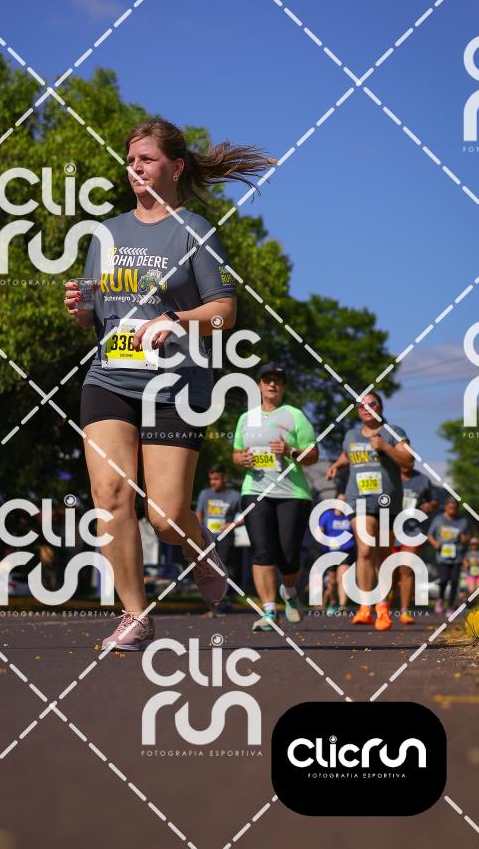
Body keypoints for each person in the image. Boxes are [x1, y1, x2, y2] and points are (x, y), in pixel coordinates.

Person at [64, 118, 273, 650]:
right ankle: (135, 615)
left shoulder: (194, 229)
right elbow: (93, 314)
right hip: (109, 379)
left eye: (147, 159)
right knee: (110, 496)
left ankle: (199, 543)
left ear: (175, 167)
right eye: (130, 160)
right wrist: (80, 308)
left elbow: (225, 312)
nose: (135, 168)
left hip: (175, 386)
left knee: (164, 516)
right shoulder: (106, 233)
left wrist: (176, 321)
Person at [232, 362, 319, 632]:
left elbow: (313, 455)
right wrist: (242, 459)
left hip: (292, 493)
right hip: (255, 491)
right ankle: (269, 610)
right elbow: (236, 453)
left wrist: (290, 450)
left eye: (278, 380)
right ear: (259, 385)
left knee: (289, 556)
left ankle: (289, 592)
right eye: (267, 380)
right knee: (262, 551)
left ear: (283, 387)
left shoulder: (295, 416)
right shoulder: (246, 418)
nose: (272, 384)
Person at [326, 391, 412, 631]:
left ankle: (382, 606)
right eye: (360, 405)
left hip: (387, 501)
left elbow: (408, 461)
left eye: (371, 403)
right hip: (358, 499)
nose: (366, 408)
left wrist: (385, 447)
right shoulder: (351, 435)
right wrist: (336, 465)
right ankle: (365, 606)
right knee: (364, 549)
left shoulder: (394, 432)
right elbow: (348, 454)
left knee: (384, 555)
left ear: (380, 407)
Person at [394, 459, 438, 625]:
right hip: (390, 529)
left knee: (406, 568)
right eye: (402, 458)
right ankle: (385, 606)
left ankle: (404, 611)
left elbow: (434, 502)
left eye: (410, 459)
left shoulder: (423, 480)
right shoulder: (390, 477)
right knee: (390, 572)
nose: (406, 462)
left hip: (413, 530)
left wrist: (430, 505)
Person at [196, 464, 243, 611]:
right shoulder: (204, 494)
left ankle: (220, 600)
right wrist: (198, 533)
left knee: (221, 568)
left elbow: (247, 515)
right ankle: (213, 600)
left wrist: (233, 524)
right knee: (208, 568)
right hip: (207, 538)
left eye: (216, 479)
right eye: (211, 479)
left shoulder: (234, 496)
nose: (213, 482)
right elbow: (199, 515)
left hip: (225, 539)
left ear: (224, 478)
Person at [427, 498, 470, 615]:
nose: (452, 510)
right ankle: (440, 600)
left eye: (455, 508)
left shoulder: (462, 521)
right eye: (450, 508)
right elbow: (429, 535)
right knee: (444, 580)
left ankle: (451, 606)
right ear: (446, 507)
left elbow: (467, 537)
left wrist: (465, 539)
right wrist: (435, 543)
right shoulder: (438, 519)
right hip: (442, 556)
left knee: (455, 581)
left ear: (458, 509)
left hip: (457, 556)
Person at [317, 494, 356, 615]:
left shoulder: (350, 517)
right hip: (330, 552)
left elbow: (356, 532)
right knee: (332, 582)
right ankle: (333, 602)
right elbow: (320, 532)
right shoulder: (327, 515)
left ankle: (343, 606)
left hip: (346, 550)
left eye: (345, 501)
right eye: (340, 501)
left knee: (343, 578)